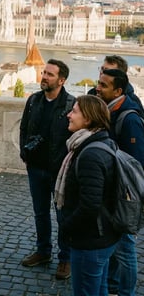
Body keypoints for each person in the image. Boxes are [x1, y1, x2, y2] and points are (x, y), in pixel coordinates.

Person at [56, 95, 121, 295]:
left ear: (89, 119)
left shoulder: (90, 154)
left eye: (75, 111)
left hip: (90, 240)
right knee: (99, 289)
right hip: (104, 236)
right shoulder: (104, 142)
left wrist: (66, 228)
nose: (69, 115)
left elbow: (90, 205)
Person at [19, 59, 75, 280]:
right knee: (40, 213)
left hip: (60, 171)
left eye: (50, 74)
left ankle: (65, 259)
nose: (44, 77)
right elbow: (24, 128)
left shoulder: (71, 104)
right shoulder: (33, 100)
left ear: (61, 80)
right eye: (44, 73)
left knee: (63, 215)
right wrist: (25, 153)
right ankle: (43, 252)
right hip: (36, 168)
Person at [96, 68, 144, 296]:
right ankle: (113, 288)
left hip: (121, 195)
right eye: (99, 83)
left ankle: (125, 292)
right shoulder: (107, 111)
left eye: (103, 85)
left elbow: (135, 164)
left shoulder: (129, 119)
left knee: (125, 250)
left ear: (118, 90)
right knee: (112, 249)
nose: (98, 87)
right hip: (108, 191)